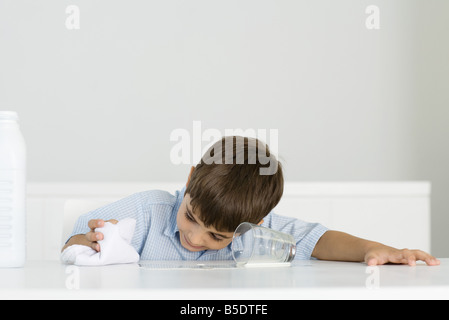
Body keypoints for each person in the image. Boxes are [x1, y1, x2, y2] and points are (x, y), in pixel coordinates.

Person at [61, 136, 440, 266]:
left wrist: (377, 249)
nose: (195, 237)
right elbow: (79, 237)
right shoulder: (147, 212)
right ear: (190, 178)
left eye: (216, 236)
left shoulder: (256, 234)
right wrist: (89, 243)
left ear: (255, 225)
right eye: (191, 216)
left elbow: (317, 240)